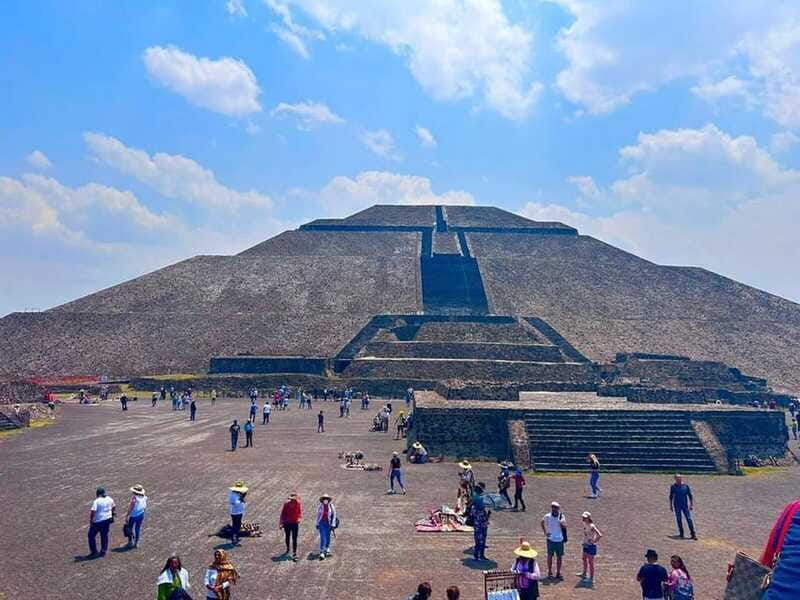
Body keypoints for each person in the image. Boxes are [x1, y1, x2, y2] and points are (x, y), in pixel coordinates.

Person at [540, 501, 566, 579]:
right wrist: (545, 532)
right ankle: (549, 572)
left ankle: (558, 572)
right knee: (550, 556)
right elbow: (542, 522)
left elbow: (565, 526)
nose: (555, 510)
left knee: (559, 557)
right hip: (550, 539)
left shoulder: (562, 516)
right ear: (552, 508)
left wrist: (561, 522)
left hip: (559, 540)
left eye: (556, 508)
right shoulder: (547, 516)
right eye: (553, 508)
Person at [88, 486, 115, 557]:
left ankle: (94, 552)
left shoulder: (96, 501)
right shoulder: (109, 498)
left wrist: (91, 520)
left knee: (91, 536)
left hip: (98, 521)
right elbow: (114, 506)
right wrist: (112, 513)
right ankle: (103, 550)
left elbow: (93, 511)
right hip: (107, 520)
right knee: (104, 535)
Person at [669, 474, 697, 539]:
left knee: (689, 519)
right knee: (679, 519)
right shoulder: (673, 486)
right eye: (677, 478)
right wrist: (670, 505)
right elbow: (671, 496)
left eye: (680, 478)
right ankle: (681, 533)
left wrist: (691, 504)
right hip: (677, 505)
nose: (679, 479)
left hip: (685, 506)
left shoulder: (686, 486)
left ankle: (693, 534)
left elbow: (690, 495)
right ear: (675, 479)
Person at [580, 511, 602, 584]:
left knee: (591, 562)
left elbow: (599, 534)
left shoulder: (592, 526)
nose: (583, 518)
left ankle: (591, 578)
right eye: (583, 517)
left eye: (585, 518)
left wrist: (593, 541)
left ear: (588, 518)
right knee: (583, 559)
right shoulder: (585, 524)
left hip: (590, 546)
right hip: (585, 545)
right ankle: (584, 573)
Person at [280, 493, 302, 561]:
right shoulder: (286, 504)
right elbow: (282, 514)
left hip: (295, 523)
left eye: (294, 499)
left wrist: (299, 519)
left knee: (294, 538)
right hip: (287, 523)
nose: (292, 501)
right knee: (287, 536)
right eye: (291, 499)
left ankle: (294, 552)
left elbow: (300, 513)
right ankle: (288, 548)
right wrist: (281, 523)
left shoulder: (298, 504)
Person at [470, 482, 490, 561]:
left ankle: (478, 555)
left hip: (479, 524)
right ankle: (480, 555)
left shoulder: (475, 502)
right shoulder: (480, 501)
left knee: (479, 540)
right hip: (481, 524)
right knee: (481, 540)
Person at [125, 484, 148, 548]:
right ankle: (136, 543)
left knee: (130, 528)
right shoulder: (144, 497)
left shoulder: (134, 498)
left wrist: (127, 515)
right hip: (141, 514)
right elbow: (144, 507)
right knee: (137, 529)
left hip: (133, 516)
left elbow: (131, 508)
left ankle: (130, 542)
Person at [316, 493, 337, 560]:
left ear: (328, 500)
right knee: (323, 536)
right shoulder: (320, 506)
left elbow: (334, 515)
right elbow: (318, 516)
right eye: (324, 499)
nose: (325, 500)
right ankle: (322, 551)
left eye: (326, 499)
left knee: (328, 536)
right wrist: (317, 524)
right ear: (322, 500)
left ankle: (327, 548)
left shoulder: (331, 506)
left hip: (329, 523)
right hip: (321, 523)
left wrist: (333, 524)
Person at [228, 481, 248, 545]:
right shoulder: (233, 495)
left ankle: (235, 536)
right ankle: (234, 538)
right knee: (236, 525)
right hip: (235, 512)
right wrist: (241, 499)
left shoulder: (237, 493)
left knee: (237, 525)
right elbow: (235, 503)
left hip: (239, 511)